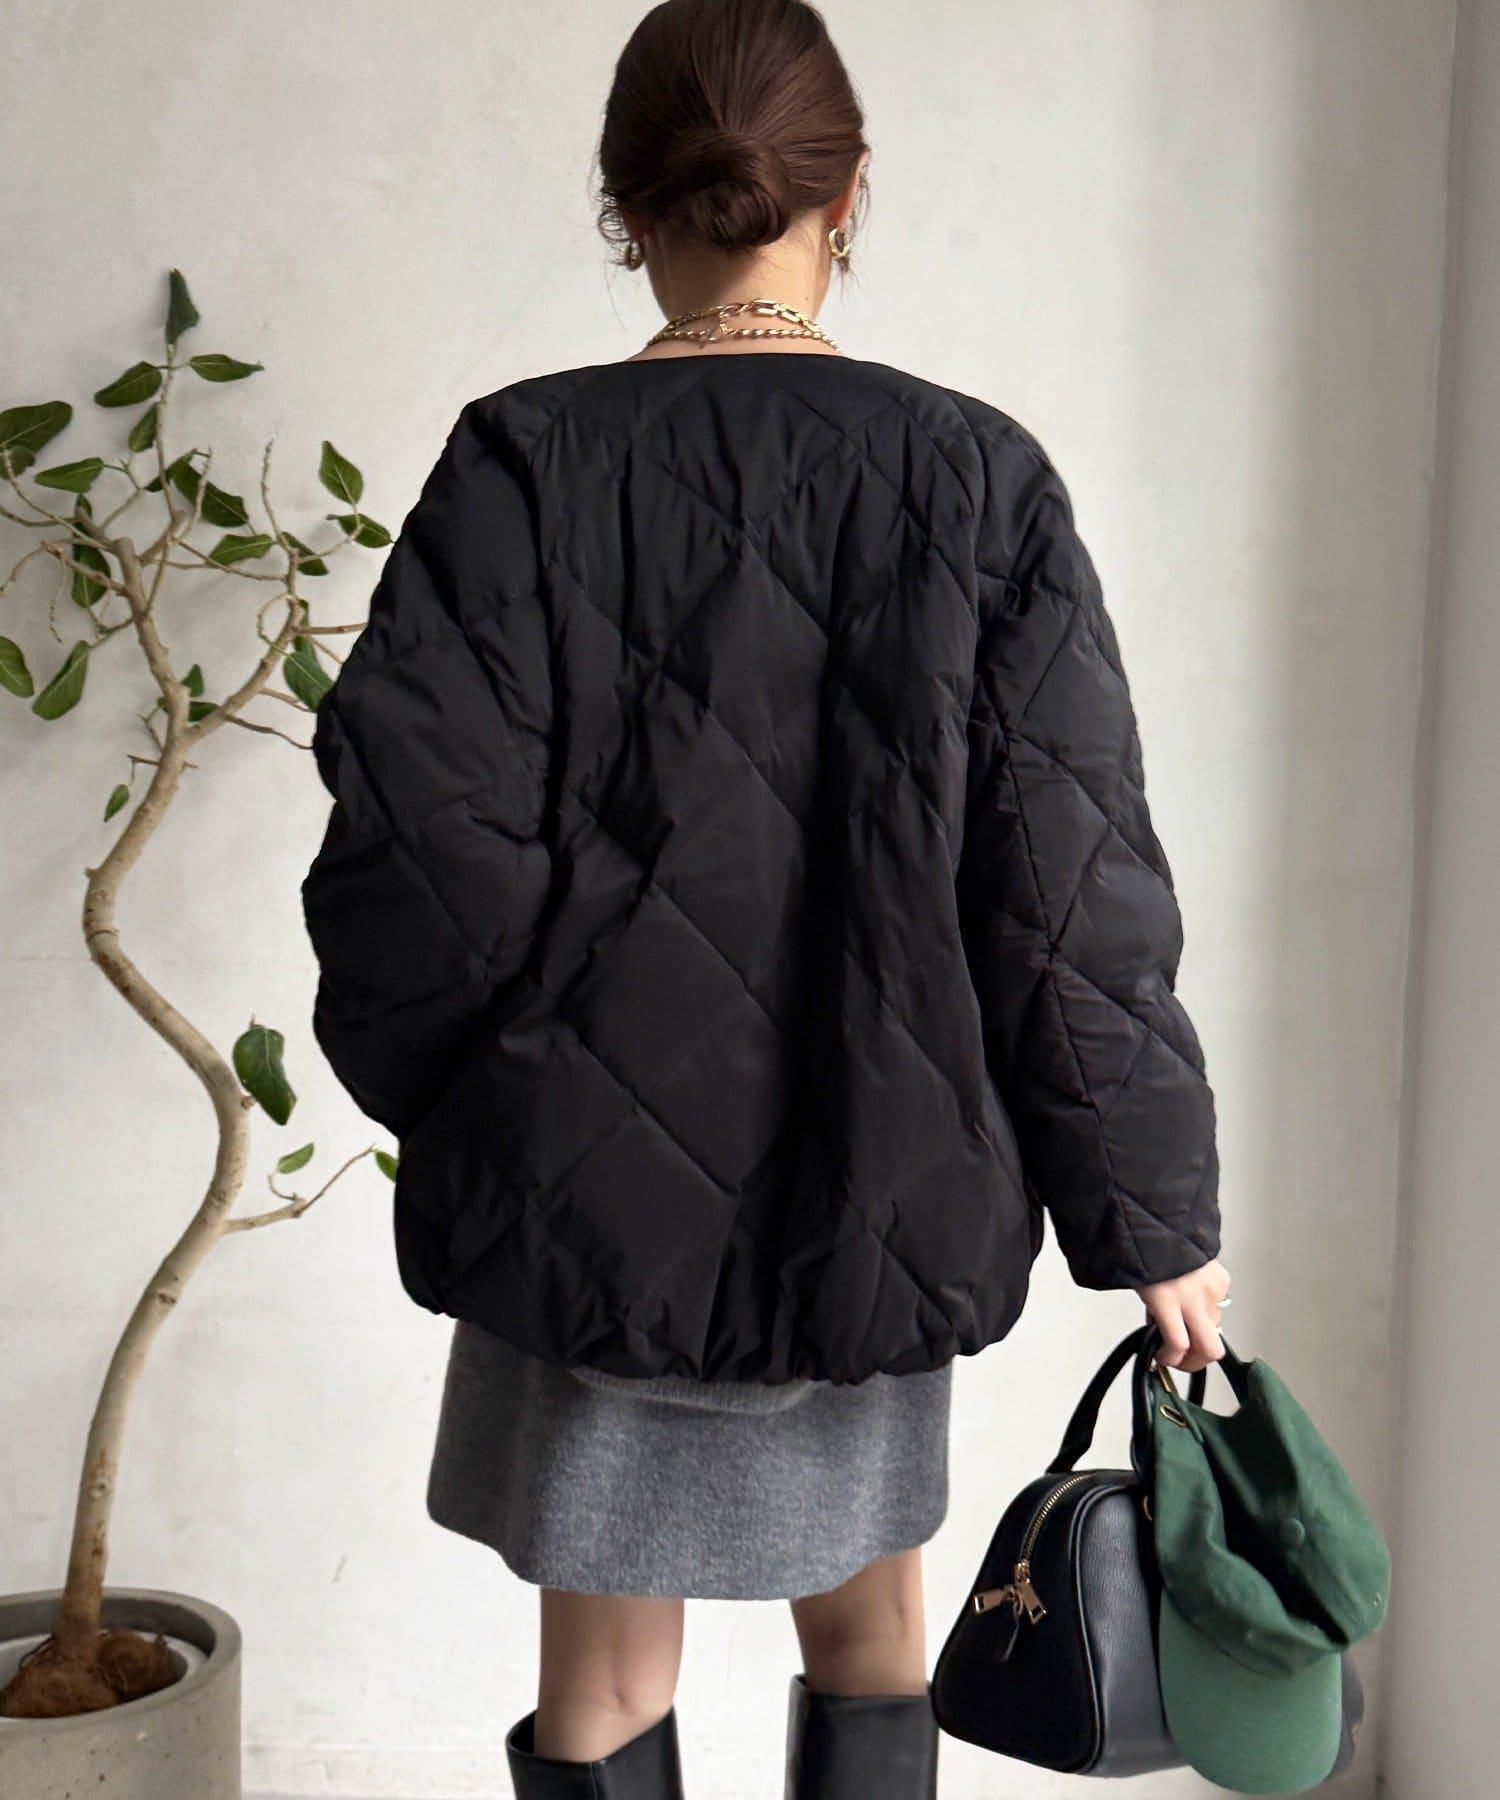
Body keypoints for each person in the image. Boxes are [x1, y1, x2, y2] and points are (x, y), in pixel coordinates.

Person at [300, 2, 1231, 1795]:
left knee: (600, 1674)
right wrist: (1155, 1209)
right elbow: (1066, 883)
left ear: (623, 202)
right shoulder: (975, 476)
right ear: (849, 191)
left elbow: (414, 851)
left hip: (582, 1206)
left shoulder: (525, 460)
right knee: (875, 1635)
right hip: (878, 1186)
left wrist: (490, 1102)